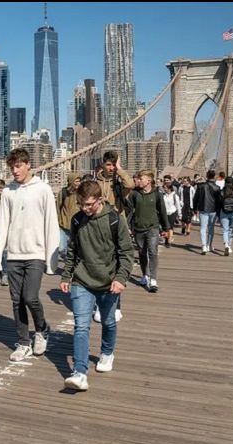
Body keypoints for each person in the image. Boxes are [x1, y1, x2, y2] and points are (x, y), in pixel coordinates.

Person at [60, 181, 134, 390]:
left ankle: (107, 353)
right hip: (82, 280)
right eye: (81, 204)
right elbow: (72, 251)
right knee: (81, 326)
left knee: (108, 322)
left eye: (89, 204)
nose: (84, 208)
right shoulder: (77, 220)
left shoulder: (114, 219)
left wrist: (120, 278)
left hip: (109, 282)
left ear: (100, 200)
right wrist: (66, 276)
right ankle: (80, 373)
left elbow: (126, 253)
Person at [0, 148, 60, 362]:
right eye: (12, 167)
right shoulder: (7, 192)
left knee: (30, 297)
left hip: (36, 254)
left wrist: (52, 261)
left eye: (19, 166)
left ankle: (41, 329)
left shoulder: (43, 189)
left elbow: (51, 224)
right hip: (13, 255)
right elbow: (2, 225)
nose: (15, 170)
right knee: (16, 301)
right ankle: (23, 342)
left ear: (28, 164)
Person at [92, 151, 134, 324]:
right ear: (102, 164)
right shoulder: (95, 182)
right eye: (108, 164)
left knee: (116, 266)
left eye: (113, 164)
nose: (110, 168)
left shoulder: (118, 182)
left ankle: (116, 306)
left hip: (117, 227)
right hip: (97, 227)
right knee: (97, 265)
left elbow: (130, 184)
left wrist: (119, 169)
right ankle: (98, 305)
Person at [127, 170, 170, 293]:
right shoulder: (134, 194)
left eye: (141, 179)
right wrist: (128, 226)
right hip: (138, 228)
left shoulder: (157, 194)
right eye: (138, 179)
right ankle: (145, 275)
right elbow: (130, 211)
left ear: (149, 181)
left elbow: (162, 211)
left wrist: (166, 228)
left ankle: (153, 279)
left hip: (153, 227)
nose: (138, 181)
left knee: (152, 251)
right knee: (142, 252)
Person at [193, 169, 222, 255]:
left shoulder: (200, 186)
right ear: (214, 176)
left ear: (207, 176)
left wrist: (195, 209)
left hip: (203, 209)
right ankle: (209, 245)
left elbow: (195, 198)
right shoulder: (217, 188)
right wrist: (219, 212)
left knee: (202, 228)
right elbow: (219, 201)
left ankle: (203, 246)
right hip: (213, 210)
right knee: (211, 228)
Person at [56, 173, 81, 261]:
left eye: (79, 181)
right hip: (64, 225)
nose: (78, 183)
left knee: (76, 248)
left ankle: (70, 266)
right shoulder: (63, 193)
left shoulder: (81, 193)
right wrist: (58, 221)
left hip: (77, 226)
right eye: (76, 181)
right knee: (62, 248)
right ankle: (68, 261)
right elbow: (58, 208)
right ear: (71, 182)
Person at [218, 176, 233, 256]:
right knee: (231, 230)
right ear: (232, 182)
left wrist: (218, 214)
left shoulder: (222, 191)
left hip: (224, 212)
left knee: (225, 230)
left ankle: (226, 245)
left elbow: (219, 203)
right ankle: (229, 246)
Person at [161, 176, 182, 248]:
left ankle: (169, 241)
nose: (164, 189)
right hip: (165, 213)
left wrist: (179, 214)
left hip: (172, 213)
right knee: (165, 228)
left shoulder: (174, 195)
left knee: (170, 227)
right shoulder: (163, 196)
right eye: (164, 188)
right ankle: (166, 239)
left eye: (165, 188)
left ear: (169, 188)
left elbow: (178, 205)